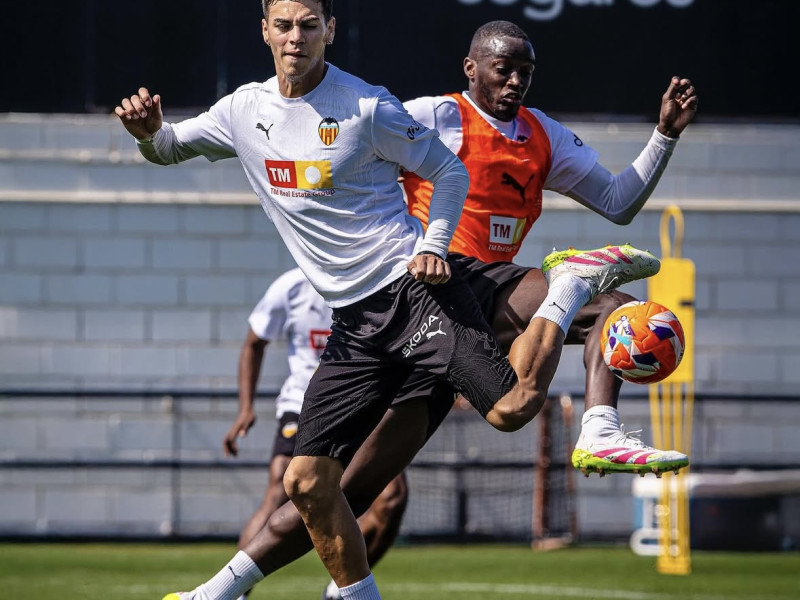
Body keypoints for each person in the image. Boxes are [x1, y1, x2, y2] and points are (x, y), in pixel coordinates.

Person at [114, 1, 660, 598]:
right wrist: (147, 135)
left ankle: (572, 291)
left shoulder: (369, 105)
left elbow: (448, 172)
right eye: (284, 25)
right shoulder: (242, 110)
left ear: (330, 30)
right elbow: (168, 147)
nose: (296, 37)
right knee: (310, 483)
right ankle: (247, 591)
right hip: (356, 320)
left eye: (308, 24)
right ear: (265, 31)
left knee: (509, 412)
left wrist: (432, 244)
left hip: (415, 292)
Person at [401, 19, 698, 476]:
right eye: (504, 69)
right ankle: (572, 278)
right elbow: (358, 151)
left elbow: (618, 203)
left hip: (492, 296)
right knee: (331, 484)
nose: (516, 81)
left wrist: (665, 136)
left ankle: (600, 429)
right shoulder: (434, 116)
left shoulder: (541, 134)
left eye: (526, 71)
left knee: (616, 309)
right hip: (434, 293)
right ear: (471, 68)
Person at [225, 268, 407, 600]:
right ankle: (231, 591)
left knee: (392, 498)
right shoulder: (290, 287)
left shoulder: (381, 278)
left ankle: (340, 592)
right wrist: (245, 408)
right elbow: (254, 343)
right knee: (281, 484)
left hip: (364, 405)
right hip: (303, 404)